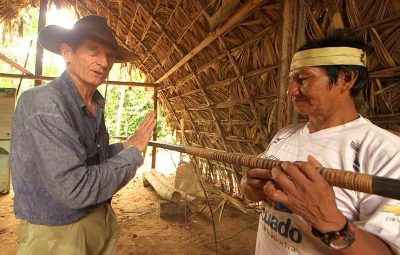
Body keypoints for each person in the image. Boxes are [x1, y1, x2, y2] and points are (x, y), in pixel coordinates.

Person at [240, 36, 400, 255]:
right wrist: (250, 188)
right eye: (291, 80)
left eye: (303, 79)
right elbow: (252, 193)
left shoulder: (387, 153)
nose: (291, 91)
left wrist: (329, 221)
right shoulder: (284, 135)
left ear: (347, 78)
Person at [11, 15, 156, 254]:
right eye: (93, 50)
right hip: (58, 234)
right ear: (67, 52)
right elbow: (74, 188)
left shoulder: (94, 103)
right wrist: (133, 156)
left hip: (98, 219)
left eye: (109, 55)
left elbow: (91, 159)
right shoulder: (44, 104)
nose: (103, 62)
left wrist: (125, 147)